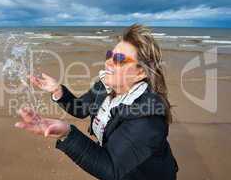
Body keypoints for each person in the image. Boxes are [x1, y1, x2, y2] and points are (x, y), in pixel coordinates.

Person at [15, 24, 179, 180]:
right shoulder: (104, 87)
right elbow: (81, 108)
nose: (108, 62)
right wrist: (57, 91)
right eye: (110, 55)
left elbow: (112, 169)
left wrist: (67, 134)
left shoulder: (147, 117)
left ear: (140, 72)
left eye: (120, 59)